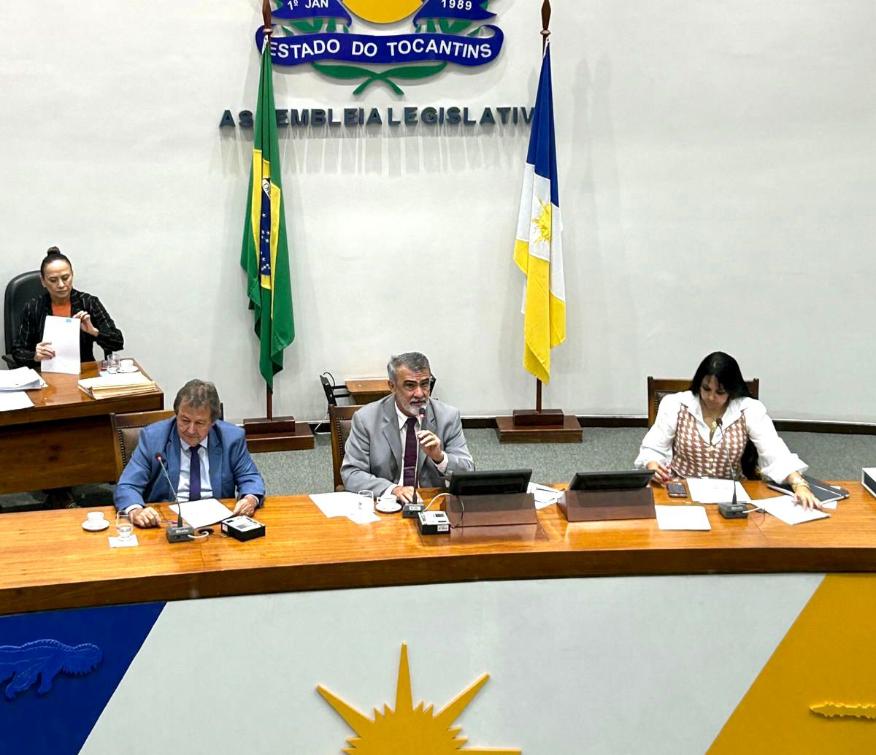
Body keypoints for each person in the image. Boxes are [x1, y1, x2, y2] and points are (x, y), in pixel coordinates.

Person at [635, 352, 820, 509]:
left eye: (720, 392)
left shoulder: (748, 409)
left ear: (732, 390)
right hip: (682, 491)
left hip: (731, 495)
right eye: (706, 389)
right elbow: (653, 448)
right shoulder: (676, 404)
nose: (711, 397)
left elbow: (774, 451)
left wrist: (799, 484)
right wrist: (653, 464)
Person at [114, 379, 266, 528]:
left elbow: (251, 479)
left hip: (217, 525)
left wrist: (250, 500)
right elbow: (127, 485)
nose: (191, 430)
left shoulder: (231, 438)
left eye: (199, 423)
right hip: (166, 523)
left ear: (212, 423)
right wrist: (136, 510)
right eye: (185, 420)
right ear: (177, 414)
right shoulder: (153, 438)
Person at [341, 352, 474, 502]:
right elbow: (352, 474)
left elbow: (468, 471)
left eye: (425, 384)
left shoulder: (448, 416)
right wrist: (393, 490)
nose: (420, 394)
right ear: (392, 386)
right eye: (410, 385)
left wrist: (440, 458)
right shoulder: (366, 419)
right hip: (384, 504)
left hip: (431, 503)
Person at [12, 246, 124, 368]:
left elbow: (118, 342)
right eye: (53, 280)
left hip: (84, 371)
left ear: (72, 275)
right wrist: (35, 355)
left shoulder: (88, 303)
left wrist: (94, 332)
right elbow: (18, 352)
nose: (61, 285)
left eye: (65, 278)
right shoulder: (33, 307)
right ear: (43, 281)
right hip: (46, 373)